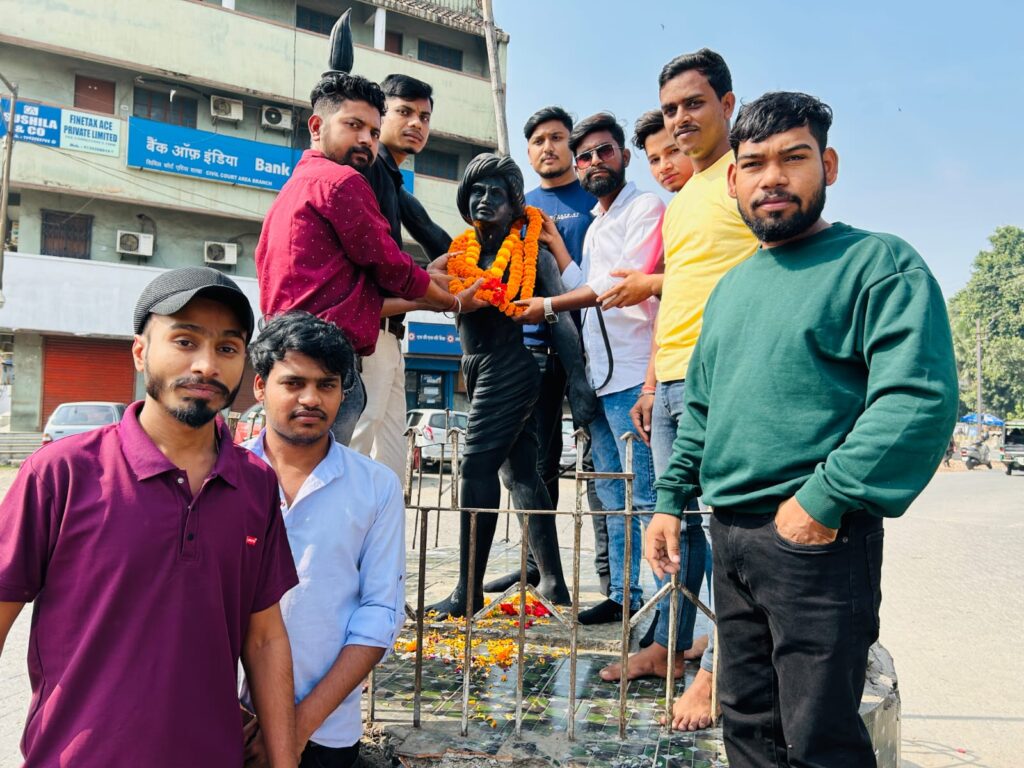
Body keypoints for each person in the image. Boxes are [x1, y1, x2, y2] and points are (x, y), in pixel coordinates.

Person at [646, 91, 959, 767]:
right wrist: (670, 500)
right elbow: (701, 409)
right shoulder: (732, 288)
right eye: (755, 163)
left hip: (816, 539)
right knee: (747, 725)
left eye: (794, 158)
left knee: (820, 737)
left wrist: (822, 501)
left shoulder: (877, 263)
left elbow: (916, 398)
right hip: (730, 535)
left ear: (829, 165)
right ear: (733, 179)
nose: (773, 178)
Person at [0, 267, 299, 767]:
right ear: (140, 352)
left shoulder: (256, 485)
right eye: (185, 341)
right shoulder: (61, 473)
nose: (206, 365)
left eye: (227, 348)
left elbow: (265, 638)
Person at [255, 71, 480, 447]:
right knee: (330, 468)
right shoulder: (343, 181)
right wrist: (453, 301)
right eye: (354, 125)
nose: (365, 139)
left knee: (321, 467)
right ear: (317, 127)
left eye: (373, 132)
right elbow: (391, 268)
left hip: (300, 351)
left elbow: (359, 284)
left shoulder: (299, 184)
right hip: (324, 357)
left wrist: (427, 280)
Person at [427, 153, 596, 618]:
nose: (485, 200)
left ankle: (467, 591)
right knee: (520, 474)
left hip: (511, 367)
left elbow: (560, 321)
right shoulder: (458, 255)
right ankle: (554, 582)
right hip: (475, 366)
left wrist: (578, 383)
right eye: (477, 191)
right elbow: (421, 237)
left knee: (474, 468)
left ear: (515, 204)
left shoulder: (532, 254)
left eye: (496, 193)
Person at [517, 113, 663, 636]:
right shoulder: (599, 222)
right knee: (612, 496)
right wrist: (558, 247)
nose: (595, 162)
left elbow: (613, 288)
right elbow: (586, 281)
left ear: (625, 156)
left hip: (633, 376)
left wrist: (547, 304)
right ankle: (623, 596)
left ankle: (669, 614)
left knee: (646, 498)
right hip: (598, 379)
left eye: (604, 151)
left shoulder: (644, 208)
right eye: (586, 157)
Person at [241, 312, 405, 768]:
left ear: (342, 393)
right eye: (294, 383)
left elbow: (380, 613)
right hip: (225, 721)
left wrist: (295, 729)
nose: (311, 398)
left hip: (326, 729)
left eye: (326, 385)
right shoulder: (225, 478)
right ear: (261, 387)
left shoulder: (375, 487)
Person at [482, 106, 603, 597]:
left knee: (598, 471)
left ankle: (613, 584)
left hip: (592, 350)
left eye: (556, 138)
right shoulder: (519, 206)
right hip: (528, 353)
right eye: (538, 141)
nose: (548, 147)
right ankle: (535, 566)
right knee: (531, 466)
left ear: (571, 146)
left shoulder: (594, 199)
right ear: (528, 153)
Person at [352, 73, 454, 478]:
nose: (416, 124)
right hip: (368, 332)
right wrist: (432, 288)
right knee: (358, 446)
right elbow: (380, 261)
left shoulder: (392, 179)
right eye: (404, 112)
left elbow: (433, 234)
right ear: (381, 116)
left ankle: (384, 522)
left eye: (424, 117)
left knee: (391, 458)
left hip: (392, 334)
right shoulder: (369, 170)